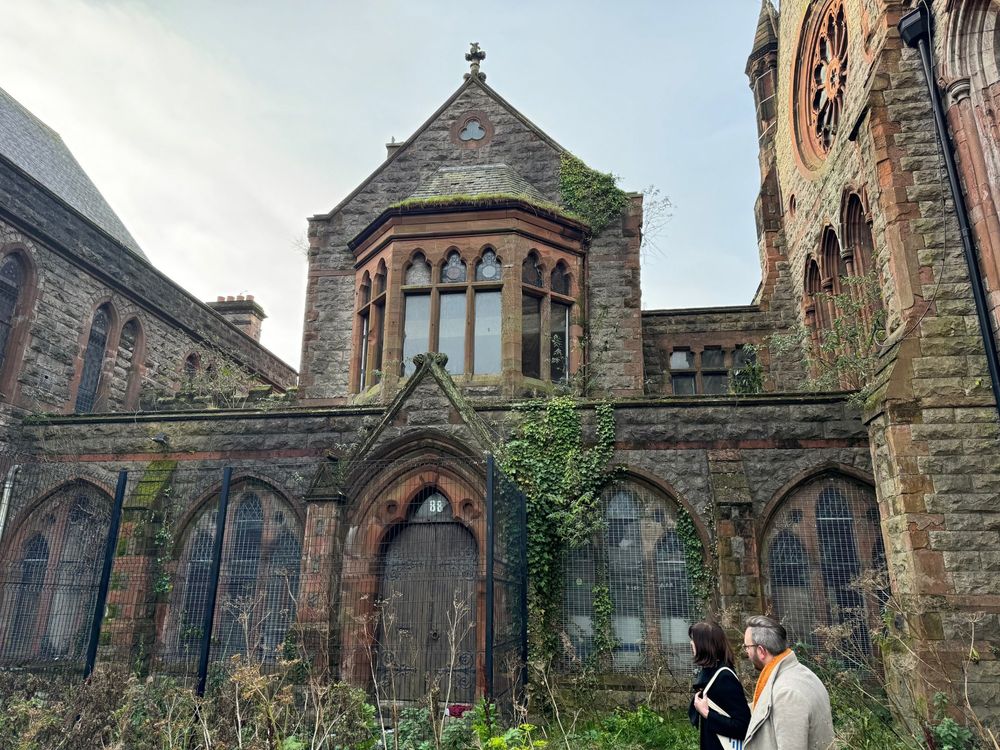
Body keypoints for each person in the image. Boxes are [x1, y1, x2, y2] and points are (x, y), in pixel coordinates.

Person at [742, 615, 834, 750]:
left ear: (761, 651)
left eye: (747, 647)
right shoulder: (803, 674)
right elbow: (765, 710)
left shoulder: (787, 694)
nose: (746, 652)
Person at [688, 621, 751, 750]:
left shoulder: (724, 678)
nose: (691, 643)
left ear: (704, 644)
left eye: (694, 639)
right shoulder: (709, 671)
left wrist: (706, 713)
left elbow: (743, 726)